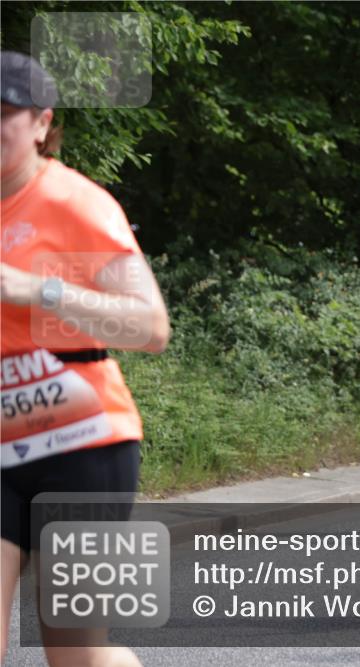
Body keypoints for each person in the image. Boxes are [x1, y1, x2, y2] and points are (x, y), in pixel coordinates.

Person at [1, 51, 170, 667]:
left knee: (72, 653)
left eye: (5, 113)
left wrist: (33, 289)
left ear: (42, 123)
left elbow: (151, 327)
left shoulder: (76, 204)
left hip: (85, 446)